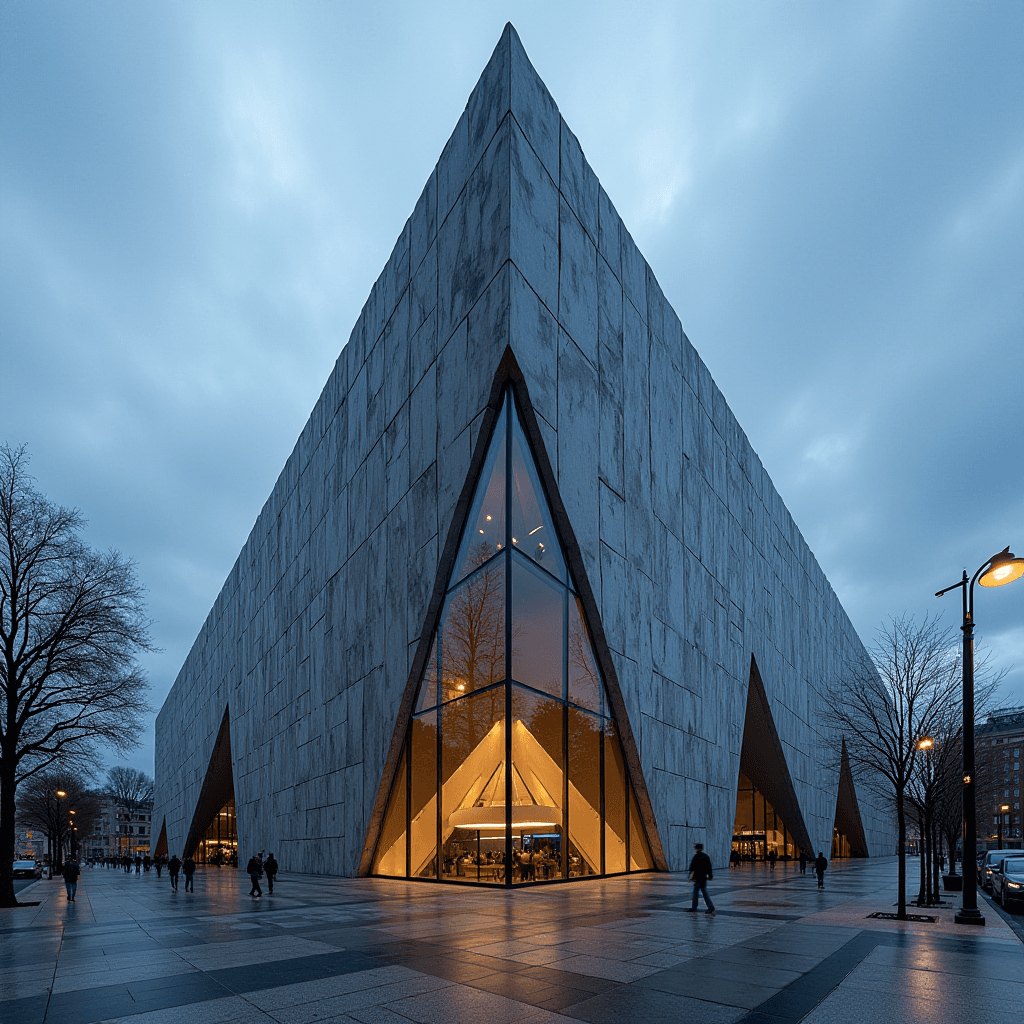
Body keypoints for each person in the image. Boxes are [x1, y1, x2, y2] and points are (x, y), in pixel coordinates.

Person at [687, 843, 715, 915]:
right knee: (705, 893)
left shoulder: (696, 856)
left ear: (697, 848)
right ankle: (710, 908)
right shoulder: (706, 856)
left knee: (695, 894)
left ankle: (694, 907)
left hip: (697, 877)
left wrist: (691, 876)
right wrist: (710, 876)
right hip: (703, 877)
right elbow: (709, 867)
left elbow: (693, 868)